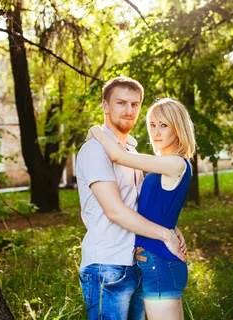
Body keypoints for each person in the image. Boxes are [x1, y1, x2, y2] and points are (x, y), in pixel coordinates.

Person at [76, 77, 186, 320]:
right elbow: (114, 211)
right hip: (107, 264)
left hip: (138, 263)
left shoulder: (132, 153)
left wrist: (170, 227)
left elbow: (140, 205)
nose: (128, 110)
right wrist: (164, 234)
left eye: (135, 105)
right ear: (105, 106)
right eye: (121, 103)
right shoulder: (96, 149)